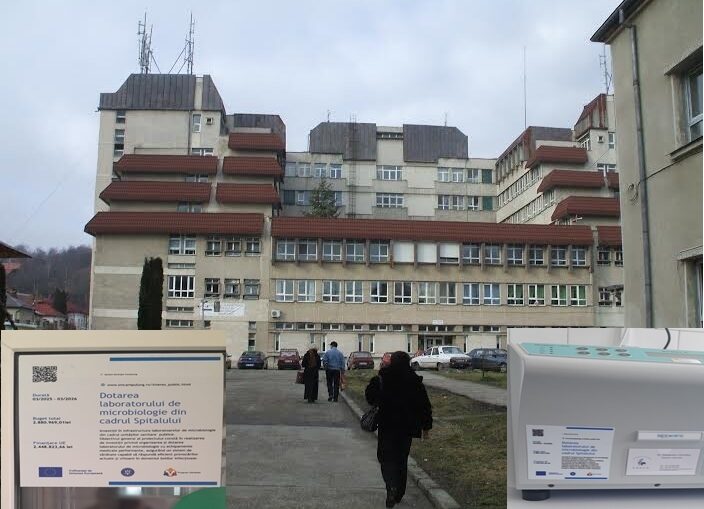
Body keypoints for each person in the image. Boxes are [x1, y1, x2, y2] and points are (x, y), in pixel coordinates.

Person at [365, 351, 432, 508]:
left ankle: (391, 486)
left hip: (387, 425)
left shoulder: (383, 377)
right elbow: (424, 406)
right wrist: (426, 427)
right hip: (407, 427)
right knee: (401, 459)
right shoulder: (415, 381)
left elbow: (370, 397)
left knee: (385, 457)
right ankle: (399, 492)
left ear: (392, 362)